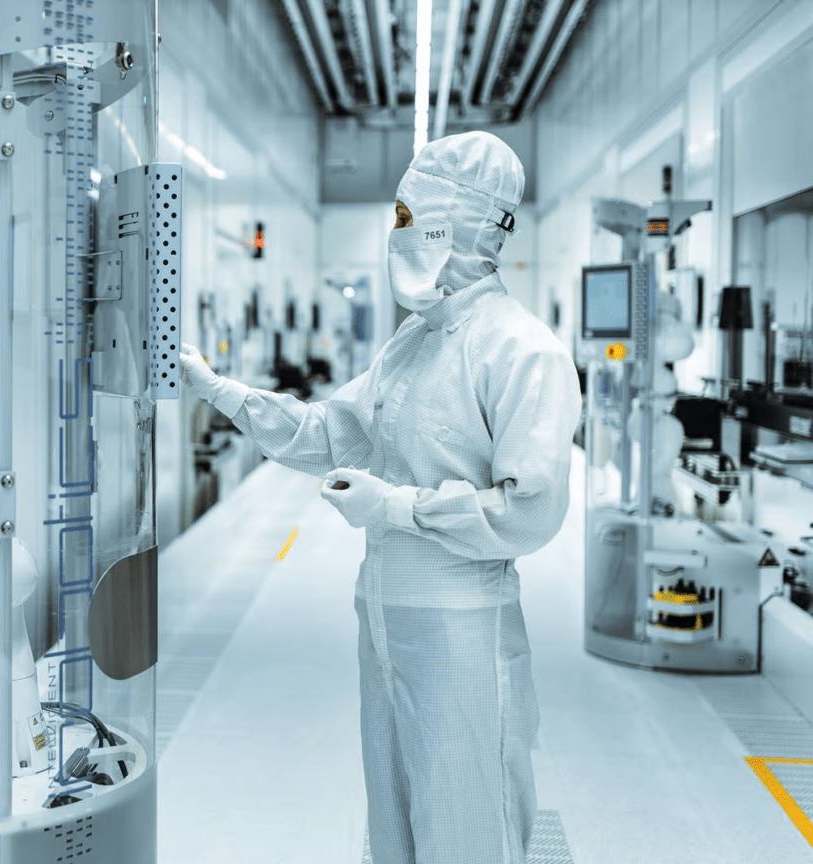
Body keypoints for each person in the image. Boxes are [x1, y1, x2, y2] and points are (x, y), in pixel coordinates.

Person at [179, 130, 581, 864]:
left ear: (458, 224)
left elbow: (530, 511)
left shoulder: (523, 350)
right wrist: (223, 392)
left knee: (466, 825)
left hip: (461, 624)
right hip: (384, 618)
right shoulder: (411, 342)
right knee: (394, 822)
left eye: (409, 218)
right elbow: (330, 431)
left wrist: (395, 508)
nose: (396, 236)